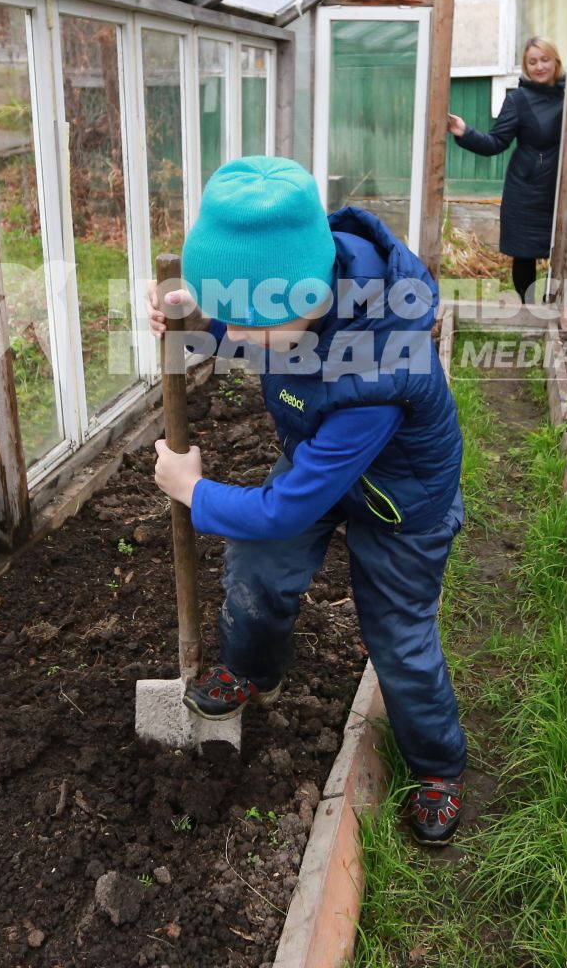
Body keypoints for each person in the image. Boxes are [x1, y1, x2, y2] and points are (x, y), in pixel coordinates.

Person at [147, 156, 469, 845]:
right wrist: (191, 319)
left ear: (306, 296)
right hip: (318, 459)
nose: (240, 342)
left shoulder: (380, 370)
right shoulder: (296, 279)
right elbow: (238, 329)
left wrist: (193, 491)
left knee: (399, 636)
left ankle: (440, 766)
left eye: (249, 326)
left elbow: (287, 508)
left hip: (401, 503)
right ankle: (252, 672)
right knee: (258, 567)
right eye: (228, 312)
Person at [446, 35, 566, 303]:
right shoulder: (518, 100)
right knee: (525, 254)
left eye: (544, 59)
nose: (539, 67)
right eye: (532, 62)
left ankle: (556, 305)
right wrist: (464, 132)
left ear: (556, 61)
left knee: (565, 250)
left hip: (564, 189)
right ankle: (528, 310)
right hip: (527, 191)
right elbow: (496, 142)